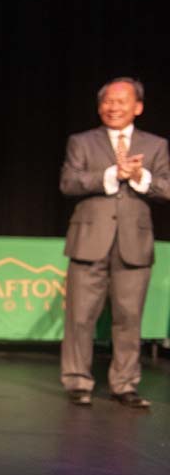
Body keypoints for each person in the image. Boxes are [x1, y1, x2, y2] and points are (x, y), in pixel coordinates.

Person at [60, 77, 169, 408]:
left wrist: (138, 176)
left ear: (138, 107)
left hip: (134, 243)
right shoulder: (82, 142)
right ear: (99, 107)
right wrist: (111, 175)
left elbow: (166, 188)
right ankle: (78, 381)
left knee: (128, 318)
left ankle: (124, 384)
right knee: (80, 318)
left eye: (121, 101)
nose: (113, 107)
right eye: (108, 101)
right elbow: (69, 183)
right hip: (89, 241)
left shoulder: (156, 145)